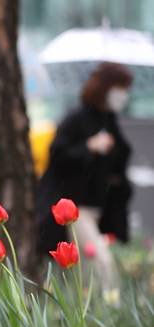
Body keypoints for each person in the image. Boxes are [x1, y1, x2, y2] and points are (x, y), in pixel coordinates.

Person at [36, 62, 133, 291]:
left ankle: (91, 310)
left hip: (98, 205)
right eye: (120, 88)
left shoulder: (110, 120)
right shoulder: (77, 118)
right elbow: (57, 155)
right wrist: (89, 146)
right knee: (101, 263)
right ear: (106, 87)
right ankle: (109, 309)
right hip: (75, 209)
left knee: (86, 266)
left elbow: (119, 159)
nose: (123, 95)